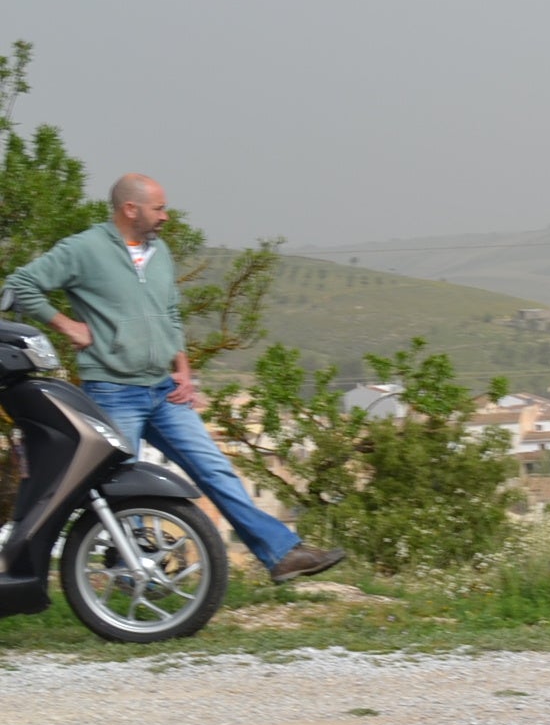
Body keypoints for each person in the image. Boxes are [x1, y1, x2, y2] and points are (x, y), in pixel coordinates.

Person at [4, 175, 345, 584]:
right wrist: (67, 325)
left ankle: (281, 554)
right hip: (113, 391)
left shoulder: (159, 252)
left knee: (215, 469)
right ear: (131, 209)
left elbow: (169, 314)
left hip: (164, 391)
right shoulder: (85, 249)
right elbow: (21, 284)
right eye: (159, 208)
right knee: (120, 489)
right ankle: (131, 579)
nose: (166, 216)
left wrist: (182, 367)